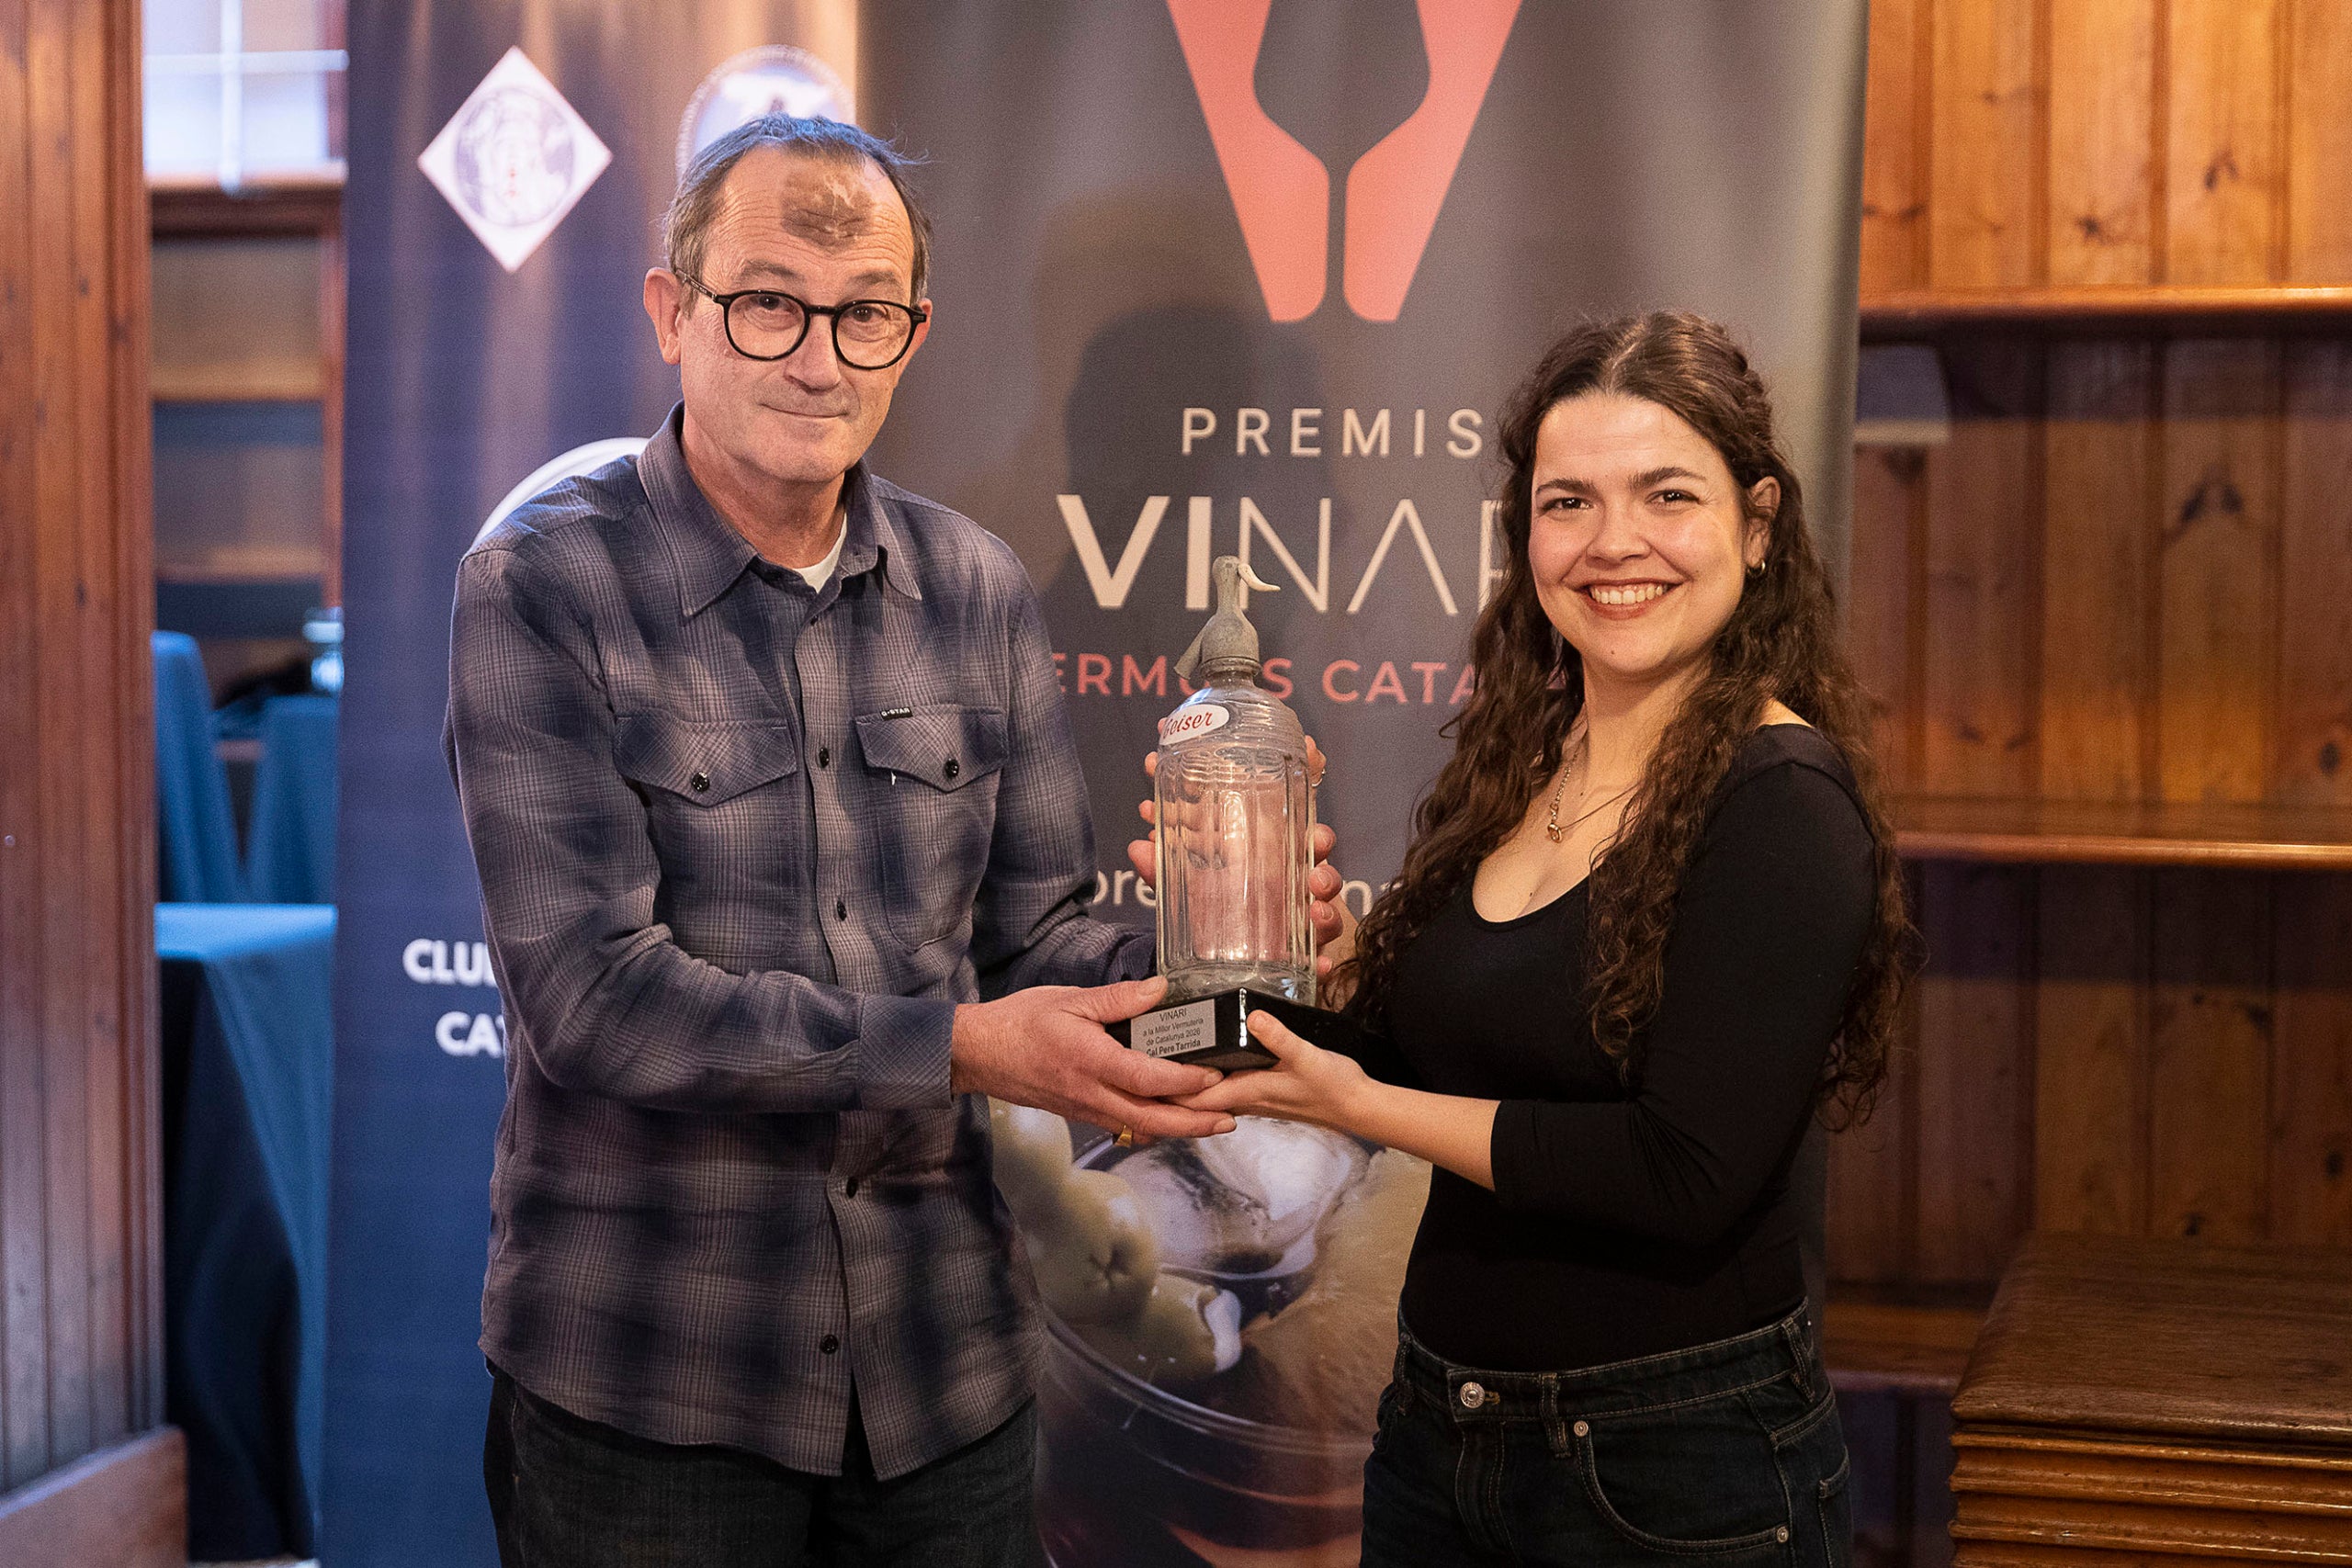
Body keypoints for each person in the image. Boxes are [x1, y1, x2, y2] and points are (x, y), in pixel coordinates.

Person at [444, 115, 1339, 1567]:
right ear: (674, 313)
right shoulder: (545, 585)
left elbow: (1041, 943)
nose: (817, 355)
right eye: (769, 302)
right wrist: (964, 1049)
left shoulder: (974, 590)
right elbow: (595, 1005)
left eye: (863, 314)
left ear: (910, 336)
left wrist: (1230, 956)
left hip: (947, 1384)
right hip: (652, 1388)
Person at [1181, 312, 1916, 1567]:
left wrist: (1358, 1103)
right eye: (1568, 502)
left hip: (1673, 1470)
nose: (1612, 543)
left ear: (1757, 522)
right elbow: (1421, 1049)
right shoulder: (1528, 754)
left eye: (1665, 495)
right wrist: (1247, 967)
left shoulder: (1783, 801)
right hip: (1438, 1432)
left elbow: (1682, 1174)